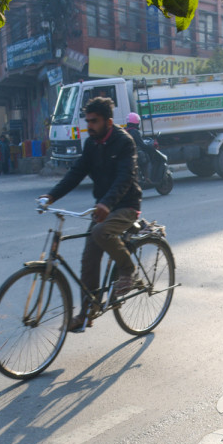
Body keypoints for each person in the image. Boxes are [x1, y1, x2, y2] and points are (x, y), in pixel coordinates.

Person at [39, 96, 143, 333]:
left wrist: (107, 203)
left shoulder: (124, 142)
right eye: (87, 121)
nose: (89, 126)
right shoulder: (91, 144)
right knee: (88, 260)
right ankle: (88, 312)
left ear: (108, 121)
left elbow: (124, 178)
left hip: (126, 205)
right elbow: (75, 174)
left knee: (99, 232)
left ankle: (128, 269)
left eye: (94, 121)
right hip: (104, 207)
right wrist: (51, 196)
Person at [124, 112, 167, 184]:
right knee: (145, 158)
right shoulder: (135, 132)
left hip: (127, 153)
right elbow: (141, 145)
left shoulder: (125, 130)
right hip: (133, 153)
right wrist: (150, 148)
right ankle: (147, 178)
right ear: (136, 122)